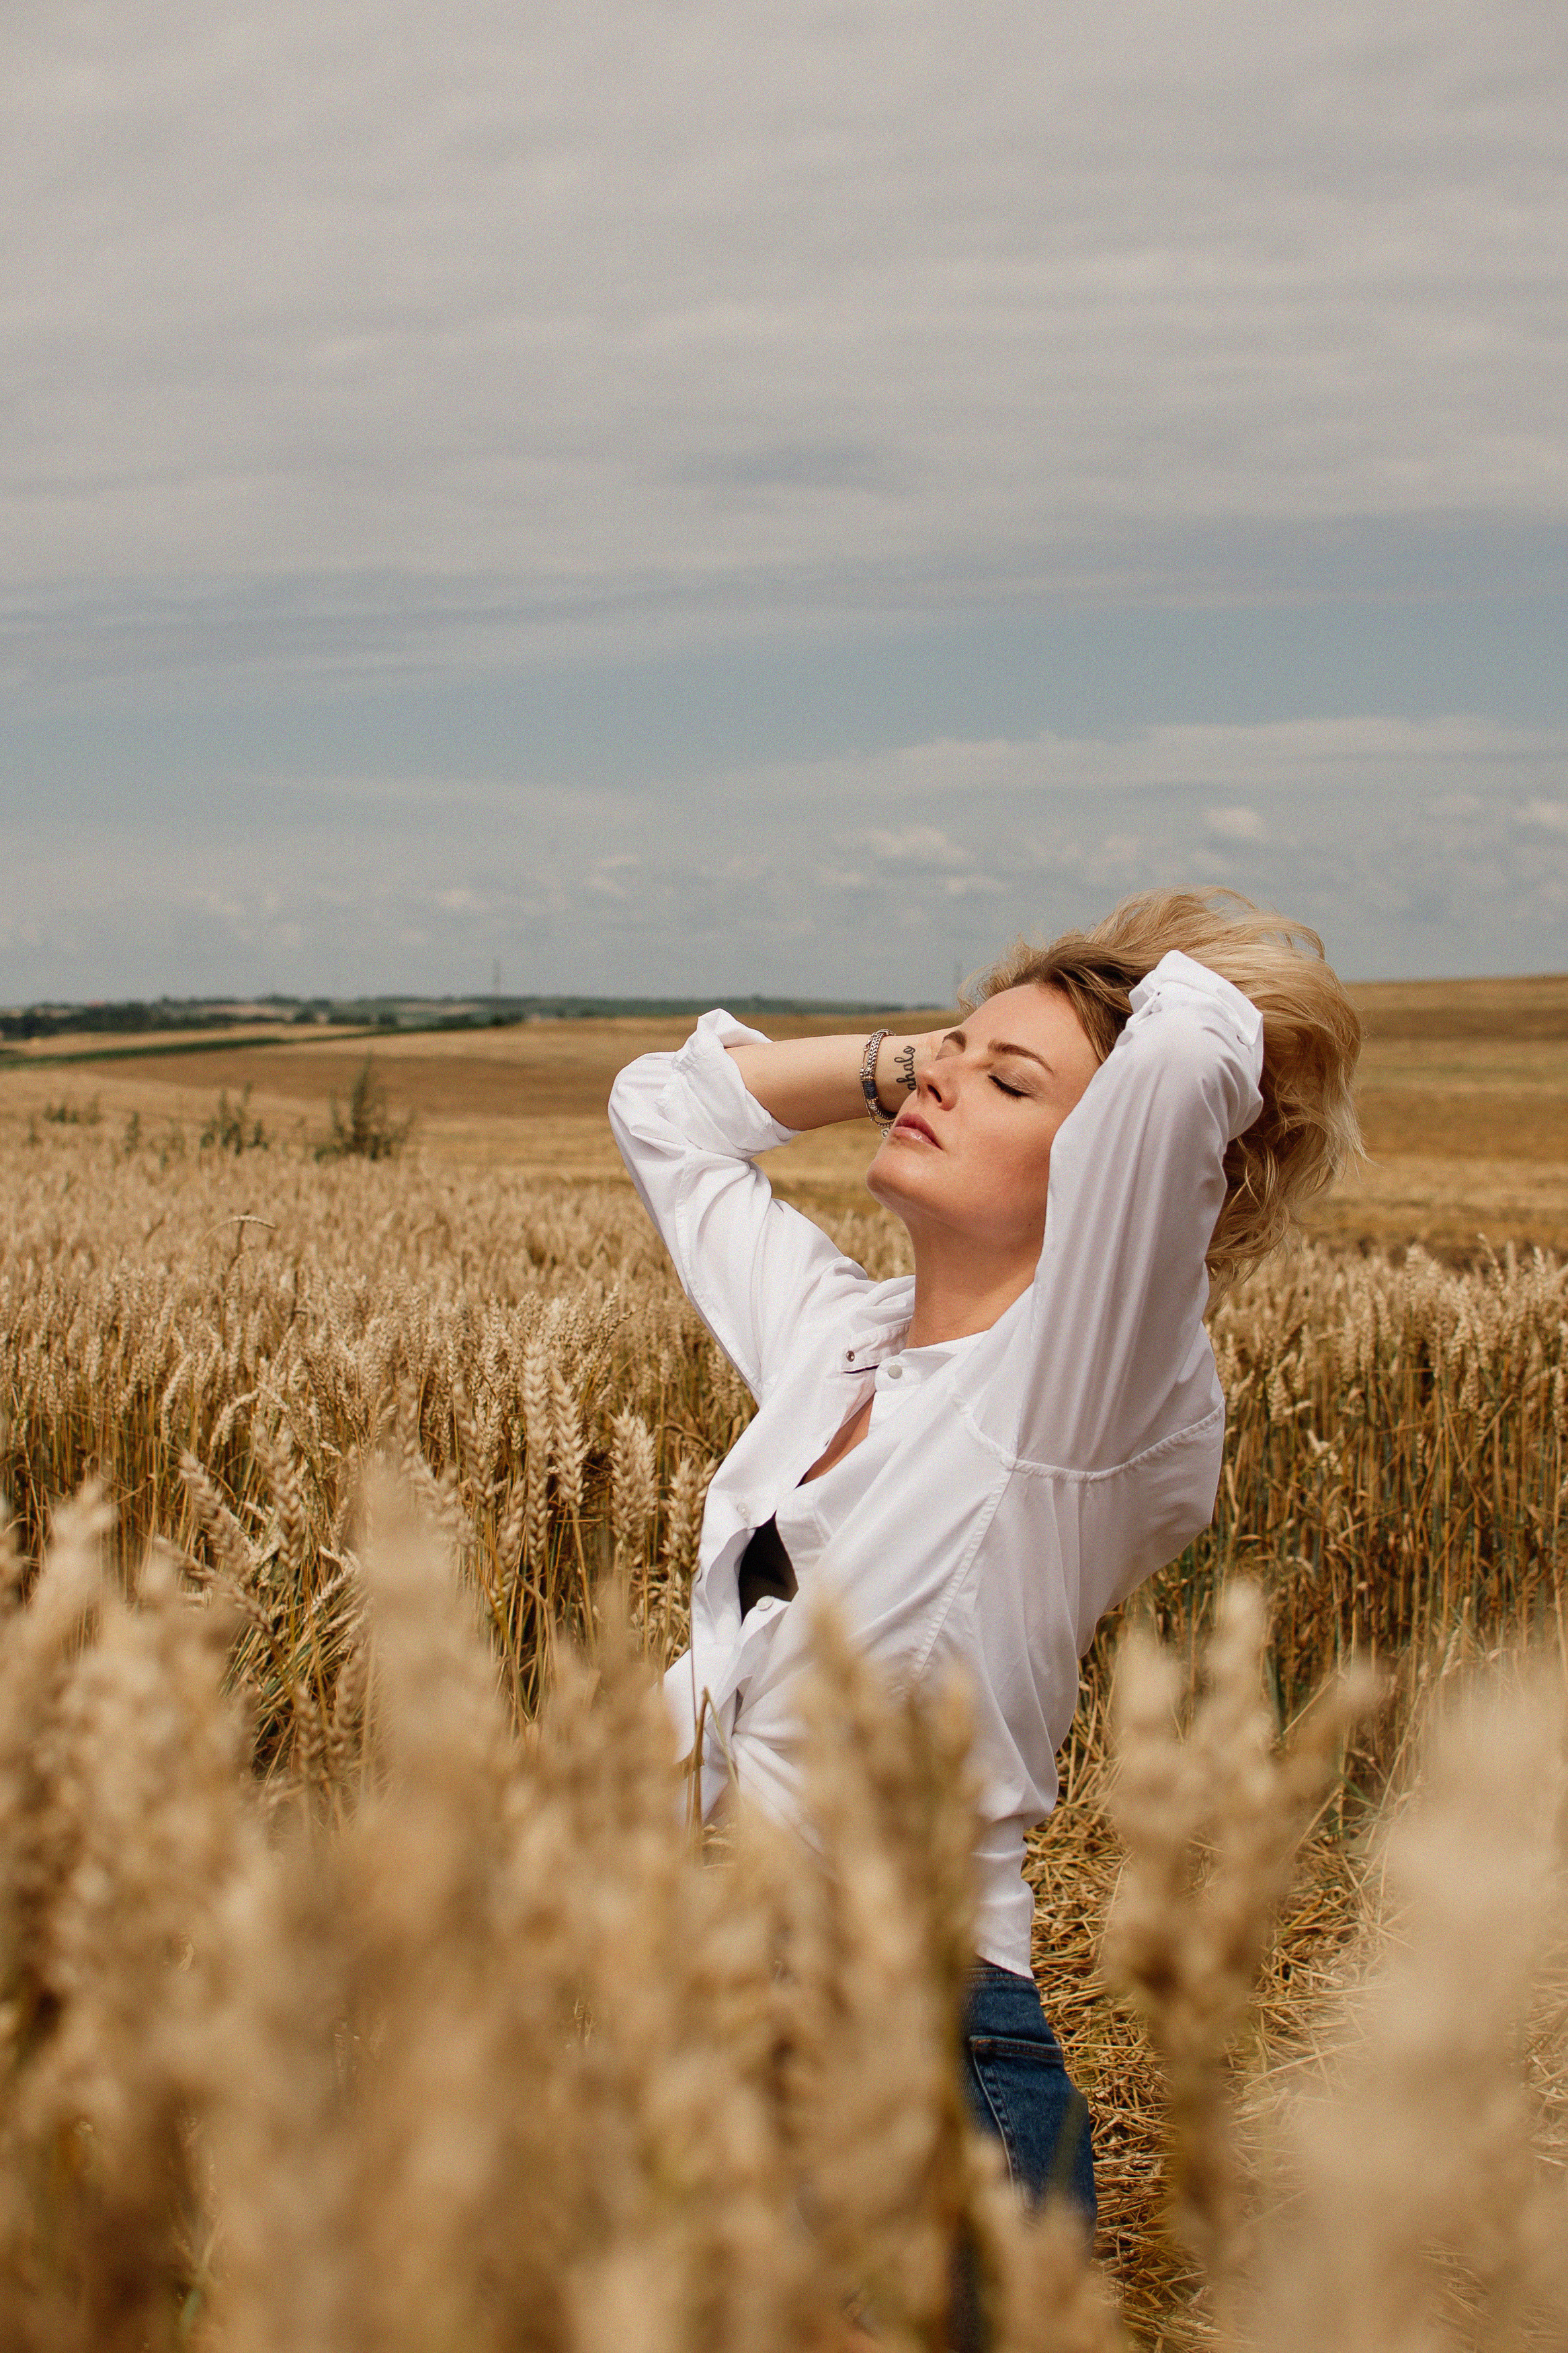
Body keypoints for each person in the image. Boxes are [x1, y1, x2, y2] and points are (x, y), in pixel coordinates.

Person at [608, 886, 1361, 2251]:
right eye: (940, 1060)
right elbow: (663, 1106)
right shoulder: (842, 1343)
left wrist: (1113, 980)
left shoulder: (1084, 1402)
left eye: (1008, 1082)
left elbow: (1189, 1056)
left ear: (1112, 1167)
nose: (942, 1084)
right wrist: (924, 1054)